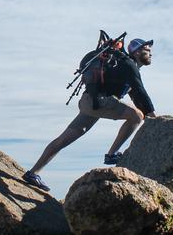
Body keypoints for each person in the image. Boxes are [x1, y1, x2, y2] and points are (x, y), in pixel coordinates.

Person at [23, 38, 156, 191]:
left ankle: (33, 173)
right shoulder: (129, 65)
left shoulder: (127, 66)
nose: (151, 53)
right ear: (137, 52)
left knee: (64, 139)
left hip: (90, 102)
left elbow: (137, 96)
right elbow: (140, 92)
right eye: (148, 50)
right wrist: (155, 118)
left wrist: (151, 116)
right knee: (136, 116)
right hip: (97, 101)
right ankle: (112, 154)